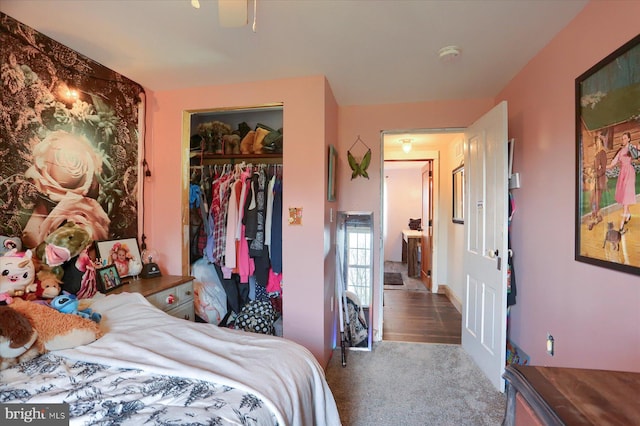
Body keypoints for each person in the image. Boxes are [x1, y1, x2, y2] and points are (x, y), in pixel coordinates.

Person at [607, 132, 638, 232]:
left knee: (626, 198)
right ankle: (628, 215)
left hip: (629, 173)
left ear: (629, 139)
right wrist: (603, 167)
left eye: (625, 138)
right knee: (623, 197)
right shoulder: (620, 151)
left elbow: (637, 157)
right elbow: (612, 164)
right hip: (622, 174)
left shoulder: (631, 148)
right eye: (622, 139)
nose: (623, 140)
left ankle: (621, 226)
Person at [588, 134, 608, 230]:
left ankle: (595, 217)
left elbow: (603, 168)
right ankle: (597, 216)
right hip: (595, 180)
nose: (597, 143)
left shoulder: (603, 153)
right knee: (592, 200)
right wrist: (591, 170)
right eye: (596, 142)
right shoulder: (596, 153)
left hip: (600, 180)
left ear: (601, 142)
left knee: (596, 200)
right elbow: (595, 166)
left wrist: (596, 173)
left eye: (598, 142)